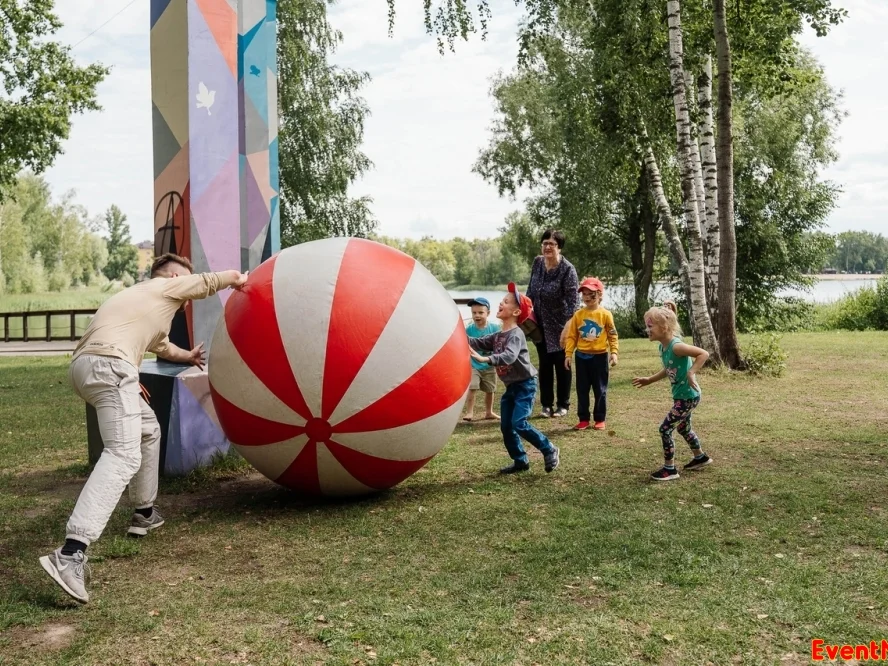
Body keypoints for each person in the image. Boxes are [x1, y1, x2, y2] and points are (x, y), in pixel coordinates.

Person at [39, 253, 249, 604]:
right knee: (122, 454)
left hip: (86, 366)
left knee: (148, 429)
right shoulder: (163, 287)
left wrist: (187, 357)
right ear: (170, 277)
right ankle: (71, 553)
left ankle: (144, 512)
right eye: (182, 279)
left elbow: (161, 345)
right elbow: (206, 283)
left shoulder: (140, 301)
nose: (184, 290)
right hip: (110, 367)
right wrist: (237, 278)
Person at [468, 284, 560, 475]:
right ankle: (520, 460)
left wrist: (487, 359)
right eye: (503, 299)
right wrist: (456, 332)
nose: (502, 302)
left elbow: (509, 356)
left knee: (519, 423)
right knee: (506, 427)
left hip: (525, 385)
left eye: (507, 301)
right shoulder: (497, 336)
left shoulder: (516, 334)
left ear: (516, 311)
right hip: (511, 387)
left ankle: (549, 449)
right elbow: (476, 342)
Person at [632, 306, 712, 481]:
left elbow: (703, 354)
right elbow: (668, 368)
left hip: (688, 397)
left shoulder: (676, 346)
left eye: (650, 326)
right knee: (683, 427)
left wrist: (691, 372)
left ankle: (670, 469)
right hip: (683, 397)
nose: (647, 330)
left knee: (665, 429)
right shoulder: (663, 347)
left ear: (664, 327)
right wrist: (649, 380)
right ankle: (700, 457)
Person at [525, 229, 579, 418]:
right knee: (545, 366)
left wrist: (568, 327)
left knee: (562, 365)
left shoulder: (567, 269)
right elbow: (530, 291)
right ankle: (546, 405)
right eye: (545, 243)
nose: (548, 247)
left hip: (561, 325)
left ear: (559, 247)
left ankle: (563, 405)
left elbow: (573, 302)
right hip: (540, 324)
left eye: (552, 244)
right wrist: (524, 313)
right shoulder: (538, 263)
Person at [563, 277, 619, 431]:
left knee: (600, 389)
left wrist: (614, 353)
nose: (587, 298)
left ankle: (600, 418)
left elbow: (612, 335)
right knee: (582, 389)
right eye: (584, 294)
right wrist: (568, 355)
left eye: (591, 294)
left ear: (600, 295)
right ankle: (583, 419)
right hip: (581, 357)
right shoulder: (578, 315)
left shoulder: (606, 314)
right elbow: (572, 336)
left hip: (600, 357)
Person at [463, 297, 501, 422]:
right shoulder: (469, 330)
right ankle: (469, 412)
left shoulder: (495, 328)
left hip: (489, 366)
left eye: (480, 312)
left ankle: (489, 412)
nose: (477, 315)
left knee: (490, 390)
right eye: (474, 313)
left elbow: (500, 345)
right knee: (472, 388)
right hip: (474, 365)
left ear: (488, 313)